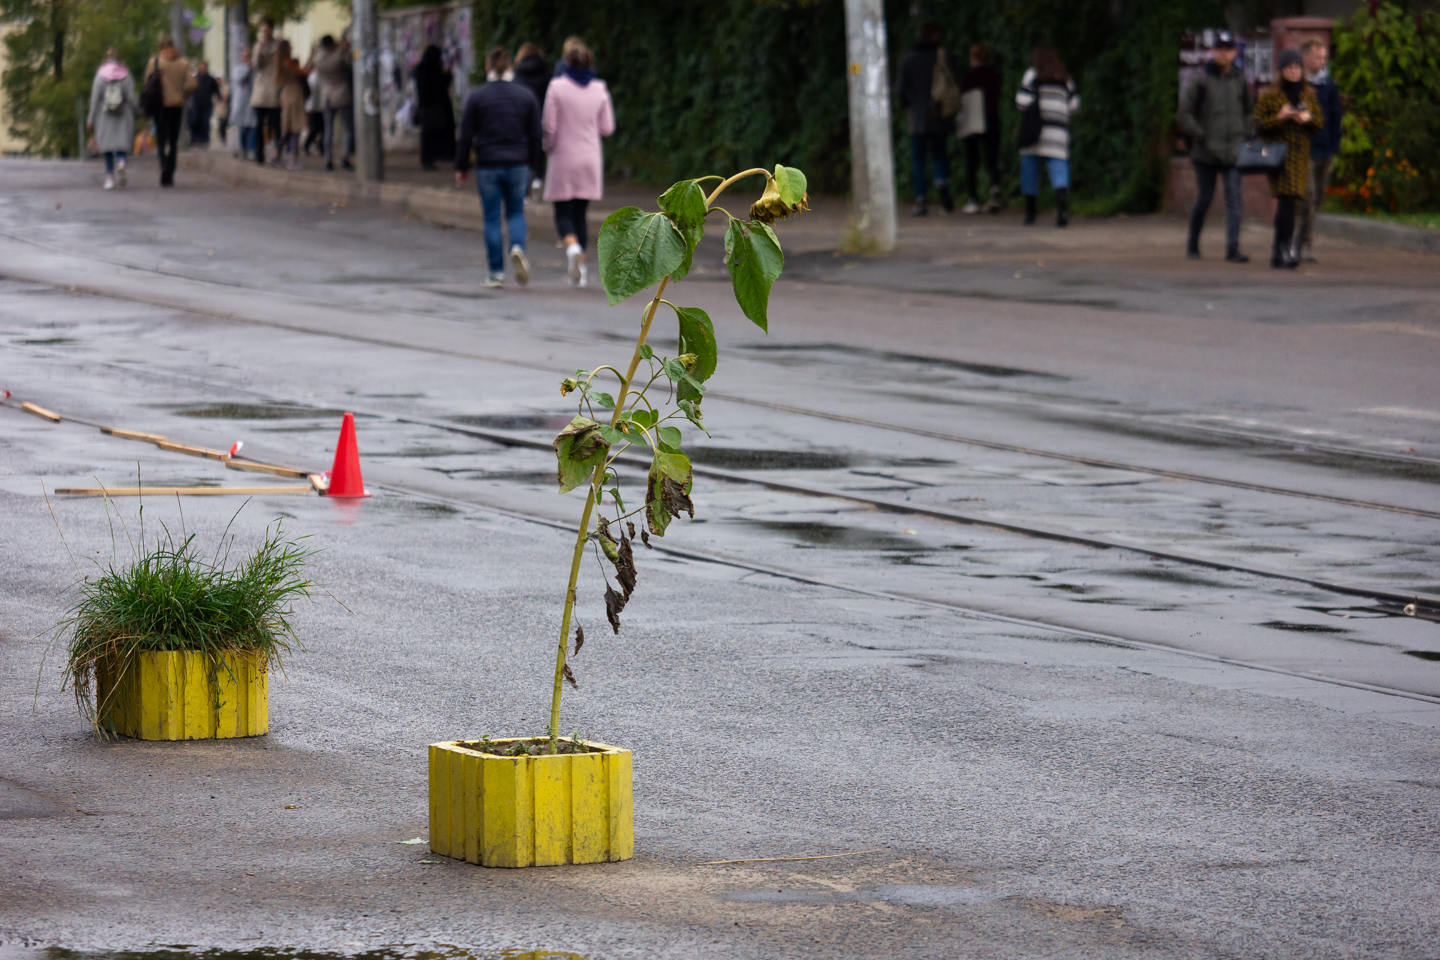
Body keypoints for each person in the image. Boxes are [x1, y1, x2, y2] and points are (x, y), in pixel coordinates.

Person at [455, 47, 543, 289]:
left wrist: (462, 167)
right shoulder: (525, 96)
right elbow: (536, 135)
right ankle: (517, 247)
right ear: (510, 69)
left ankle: (496, 273)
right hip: (518, 165)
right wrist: (535, 167)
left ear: (487, 68)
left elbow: (465, 136)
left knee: (492, 218)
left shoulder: (477, 97)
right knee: (516, 212)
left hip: (487, 166)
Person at [542, 40, 614, 287]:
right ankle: (581, 270)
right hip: (590, 158)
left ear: (566, 63)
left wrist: (547, 147)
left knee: (562, 211)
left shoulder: (556, 87)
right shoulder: (600, 88)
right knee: (581, 213)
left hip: (563, 156)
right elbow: (607, 127)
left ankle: (571, 248)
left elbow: (549, 126)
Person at [1179, 30, 1252, 263]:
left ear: (1233, 52)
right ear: (1212, 51)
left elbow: (1250, 110)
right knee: (1205, 198)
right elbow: (1184, 113)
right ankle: (1193, 242)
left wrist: (1247, 131)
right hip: (1206, 151)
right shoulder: (1200, 79)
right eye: (1220, 49)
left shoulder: (1240, 79)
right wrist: (1199, 135)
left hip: (1233, 150)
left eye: (1228, 49)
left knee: (1234, 199)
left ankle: (1233, 248)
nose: (1224, 54)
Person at [1255, 49, 1323, 269]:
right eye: (1288, 68)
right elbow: (1258, 125)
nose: (1293, 72)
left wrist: (1307, 119)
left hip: (1300, 156)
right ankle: (1283, 249)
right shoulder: (1269, 95)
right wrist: (1280, 117)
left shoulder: (1308, 94)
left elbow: (1319, 124)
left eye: (1296, 68)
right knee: (1285, 201)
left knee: (1291, 201)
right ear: (1281, 70)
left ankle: (1280, 250)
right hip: (1278, 155)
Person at [896, 21, 961, 215]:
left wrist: (908, 105)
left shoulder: (908, 60)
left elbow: (900, 91)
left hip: (917, 119)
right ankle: (942, 184)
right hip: (939, 116)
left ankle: (921, 199)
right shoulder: (942, 57)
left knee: (918, 161)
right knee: (940, 155)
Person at [1015, 46, 1079, 227]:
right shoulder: (1065, 78)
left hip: (1034, 129)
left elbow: (1021, 102)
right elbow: (1073, 105)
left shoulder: (1031, 75)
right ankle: (1062, 208)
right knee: (1059, 167)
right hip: (1057, 131)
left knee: (1029, 168)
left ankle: (1030, 213)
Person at [1295, 37, 1342, 263]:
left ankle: (1302, 238)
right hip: (1303, 150)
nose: (1322, 61)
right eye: (1317, 57)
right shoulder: (1297, 83)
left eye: (1324, 57)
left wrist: (1334, 146)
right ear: (1306, 57)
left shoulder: (1328, 85)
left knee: (1318, 197)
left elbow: (1335, 117)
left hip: (1325, 149)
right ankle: (1304, 244)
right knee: (1308, 197)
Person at [144, 34, 195, 187]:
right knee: (173, 140)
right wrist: (183, 94)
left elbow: (147, 84)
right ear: (173, 46)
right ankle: (170, 172)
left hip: (160, 106)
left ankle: (164, 166)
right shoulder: (183, 63)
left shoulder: (155, 62)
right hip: (177, 105)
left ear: (161, 47)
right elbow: (193, 84)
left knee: (161, 140)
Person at [959, 42, 1003, 214]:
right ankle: (995, 193)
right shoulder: (994, 75)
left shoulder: (969, 76)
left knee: (971, 160)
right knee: (992, 158)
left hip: (973, 121)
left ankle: (973, 198)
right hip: (991, 119)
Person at [87, 49, 137, 190]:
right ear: (119, 59)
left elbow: (94, 100)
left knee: (107, 148)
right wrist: (139, 109)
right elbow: (132, 97)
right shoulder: (126, 74)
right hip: (123, 113)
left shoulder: (99, 76)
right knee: (121, 144)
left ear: (105, 59)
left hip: (104, 116)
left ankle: (109, 177)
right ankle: (121, 163)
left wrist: (90, 119)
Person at [311, 34, 354, 171]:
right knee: (347, 129)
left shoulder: (318, 58)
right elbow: (352, 61)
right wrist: (346, 48)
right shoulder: (339, 56)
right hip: (341, 95)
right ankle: (344, 158)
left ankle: (328, 159)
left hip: (326, 97)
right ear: (331, 44)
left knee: (328, 130)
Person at [513, 42, 550, 196]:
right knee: (539, 148)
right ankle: (538, 178)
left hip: (522, 117)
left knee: (524, 149)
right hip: (541, 114)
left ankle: (525, 185)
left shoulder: (517, 74)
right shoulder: (546, 73)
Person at [413, 45, 455, 171]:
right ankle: (430, 159)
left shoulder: (421, 69)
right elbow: (440, 86)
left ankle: (428, 159)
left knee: (428, 136)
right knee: (431, 135)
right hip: (433, 107)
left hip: (426, 107)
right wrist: (447, 76)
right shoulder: (432, 70)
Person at [274, 39, 309, 169]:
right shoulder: (288, 63)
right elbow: (304, 72)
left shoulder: (279, 63)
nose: (292, 47)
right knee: (294, 129)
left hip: (287, 95)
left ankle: (279, 155)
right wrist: (312, 56)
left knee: (289, 129)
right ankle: (293, 158)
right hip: (293, 95)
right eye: (290, 46)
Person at [250, 19, 280, 166]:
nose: (265, 33)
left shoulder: (278, 45)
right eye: (262, 30)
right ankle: (259, 154)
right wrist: (260, 50)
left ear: (272, 30)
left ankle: (273, 153)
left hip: (274, 89)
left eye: (267, 30)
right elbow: (256, 65)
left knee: (274, 125)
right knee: (259, 124)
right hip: (261, 90)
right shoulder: (258, 46)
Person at [231, 47, 256, 160]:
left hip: (253, 101)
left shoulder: (255, 69)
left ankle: (251, 150)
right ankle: (243, 149)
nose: (247, 59)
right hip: (242, 102)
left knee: (253, 126)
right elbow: (240, 79)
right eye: (246, 56)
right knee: (243, 128)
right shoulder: (239, 69)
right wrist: (248, 68)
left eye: (249, 56)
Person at [188, 60, 220, 146]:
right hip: (196, 104)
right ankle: (196, 139)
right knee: (195, 121)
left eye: (204, 66)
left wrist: (219, 98)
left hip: (207, 104)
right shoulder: (195, 78)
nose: (203, 68)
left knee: (205, 122)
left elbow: (216, 90)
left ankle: (205, 139)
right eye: (201, 66)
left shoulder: (210, 79)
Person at [301, 45, 325, 157]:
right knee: (315, 129)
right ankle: (308, 146)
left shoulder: (316, 75)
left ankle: (319, 147)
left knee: (320, 129)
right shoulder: (313, 76)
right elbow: (314, 93)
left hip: (317, 106)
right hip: (313, 107)